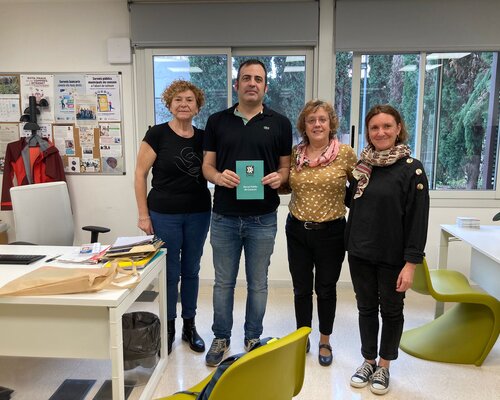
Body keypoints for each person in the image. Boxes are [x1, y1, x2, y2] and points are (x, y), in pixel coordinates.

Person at [202, 59, 292, 367]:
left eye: (258, 79)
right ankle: (221, 337)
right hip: (224, 217)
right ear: (236, 84)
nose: (252, 83)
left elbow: (285, 167)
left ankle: (253, 337)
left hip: (262, 218)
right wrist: (218, 177)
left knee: (258, 283)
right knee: (223, 283)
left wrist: (280, 178)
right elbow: (207, 166)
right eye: (246, 78)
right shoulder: (217, 121)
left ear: (266, 86)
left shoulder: (280, 123)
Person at [345, 104, 429, 395]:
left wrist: (411, 264)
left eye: (386, 126)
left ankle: (384, 365)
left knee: (391, 311)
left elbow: (418, 220)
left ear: (398, 128)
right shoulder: (362, 167)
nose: (380, 132)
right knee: (366, 308)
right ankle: (368, 361)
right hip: (360, 252)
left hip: (393, 257)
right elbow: (351, 203)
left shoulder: (412, 169)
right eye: (374, 127)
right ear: (368, 132)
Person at [134, 80, 211, 355]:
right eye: (178, 99)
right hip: (163, 214)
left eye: (189, 100)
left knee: (191, 270)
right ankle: (168, 327)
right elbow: (140, 174)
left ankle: (189, 325)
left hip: (199, 213)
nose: (183, 104)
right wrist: (143, 215)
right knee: (169, 272)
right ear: (169, 104)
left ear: (197, 107)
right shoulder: (157, 134)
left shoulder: (204, 138)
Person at [285, 100, 356, 367]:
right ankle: (302, 336)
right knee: (301, 289)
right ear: (304, 125)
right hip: (297, 230)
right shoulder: (295, 154)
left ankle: (325, 340)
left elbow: (360, 188)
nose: (317, 124)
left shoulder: (345, 153)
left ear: (330, 123)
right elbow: (286, 185)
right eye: (311, 120)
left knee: (326, 289)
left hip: (331, 232)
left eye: (322, 119)